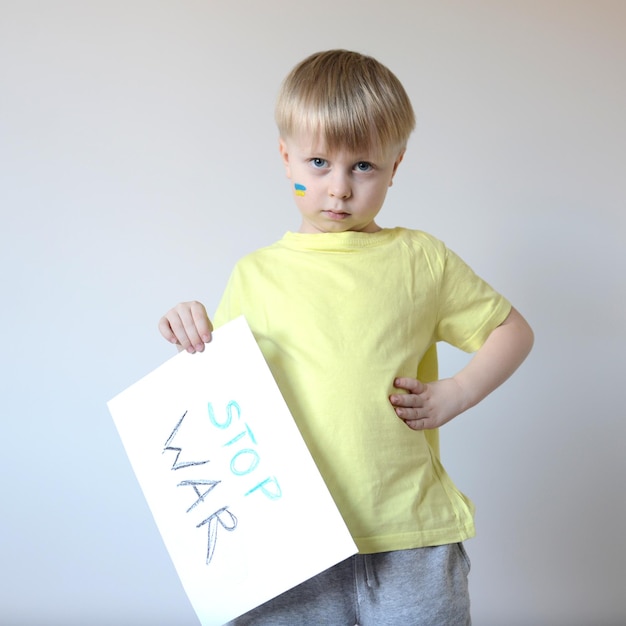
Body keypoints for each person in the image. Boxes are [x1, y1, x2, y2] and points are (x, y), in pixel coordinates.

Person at [158, 49, 534, 626]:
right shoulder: (255, 274)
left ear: (395, 165)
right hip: (287, 547)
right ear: (286, 159)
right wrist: (190, 326)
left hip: (410, 535)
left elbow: (511, 330)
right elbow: (218, 395)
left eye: (363, 167)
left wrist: (456, 393)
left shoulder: (419, 258)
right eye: (317, 163)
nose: (338, 188)